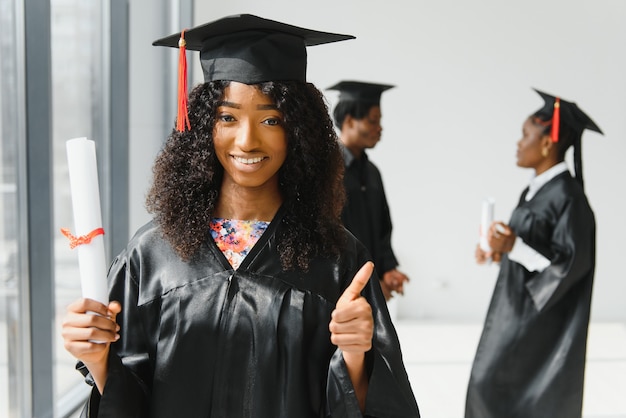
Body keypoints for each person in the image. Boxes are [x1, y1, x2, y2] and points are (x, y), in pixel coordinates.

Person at [60, 14, 420, 418]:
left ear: (298, 130)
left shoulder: (337, 259)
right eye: (227, 117)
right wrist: (97, 359)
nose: (248, 140)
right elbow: (127, 394)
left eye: (270, 119)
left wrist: (354, 357)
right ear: (202, 127)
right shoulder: (152, 255)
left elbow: (374, 403)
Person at [465, 88, 603, 418]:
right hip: (516, 310)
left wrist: (514, 246)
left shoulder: (569, 198)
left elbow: (568, 266)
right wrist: (497, 252)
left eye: (525, 134)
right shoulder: (536, 189)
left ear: (547, 143)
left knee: (495, 388)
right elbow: (530, 253)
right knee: (489, 388)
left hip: (538, 323)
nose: (518, 142)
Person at [327, 81, 410, 301]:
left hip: (371, 284)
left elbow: (383, 228)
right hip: (340, 289)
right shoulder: (328, 170)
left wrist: (388, 269)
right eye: (373, 121)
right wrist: (367, 285)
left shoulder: (372, 172)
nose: (379, 128)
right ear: (349, 121)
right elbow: (332, 237)